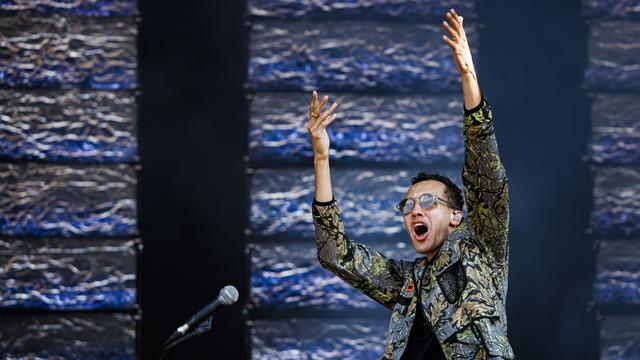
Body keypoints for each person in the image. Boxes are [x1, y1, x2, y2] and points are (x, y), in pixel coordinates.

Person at [307, 9, 514, 360]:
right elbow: (335, 255)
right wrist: (321, 159)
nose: (414, 209)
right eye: (408, 205)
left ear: (456, 216)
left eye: (428, 201)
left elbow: (486, 176)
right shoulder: (406, 283)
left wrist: (468, 77)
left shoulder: (483, 247)